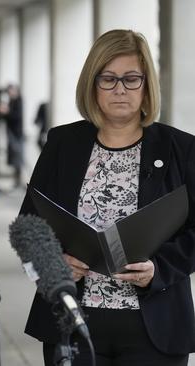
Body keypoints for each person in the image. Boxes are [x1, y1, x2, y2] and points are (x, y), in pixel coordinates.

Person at [19, 29, 195, 366]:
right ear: (92, 84)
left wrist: (159, 269)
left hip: (155, 328)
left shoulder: (181, 149)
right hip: (71, 321)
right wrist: (52, 265)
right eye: (108, 79)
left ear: (146, 86)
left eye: (131, 79)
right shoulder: (62, 143)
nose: (119, 90)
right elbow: (29, 226)